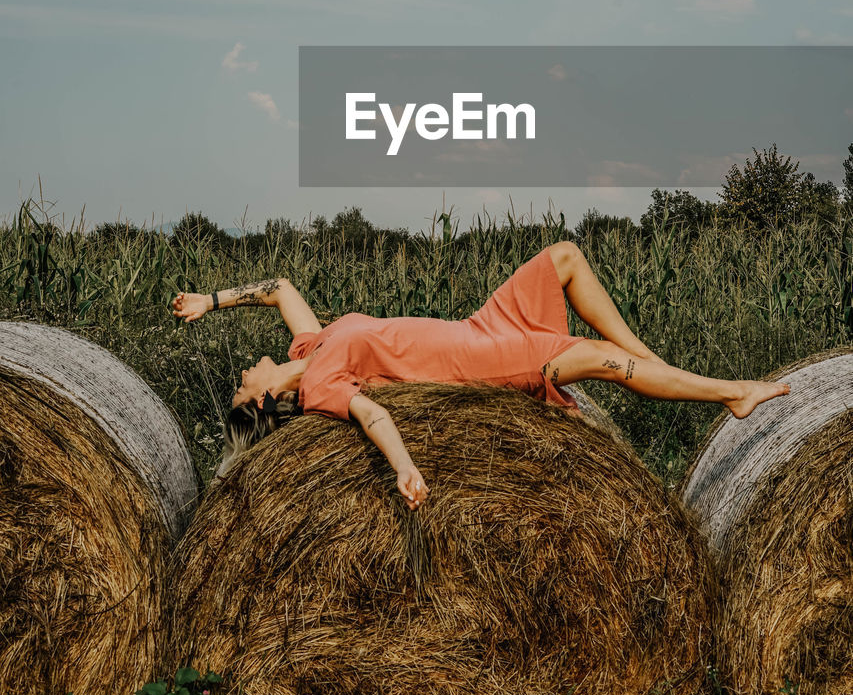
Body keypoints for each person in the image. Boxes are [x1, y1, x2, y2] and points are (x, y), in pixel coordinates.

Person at [171, 242, 790, 509]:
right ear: (261, 402)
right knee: (598, 359)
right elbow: (375, 415)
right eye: (239, 387)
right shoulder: (317, 389)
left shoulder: (309, 345)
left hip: (481, 325)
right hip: (481, 365)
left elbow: (281, 288)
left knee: (565, 258)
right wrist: (404, 467)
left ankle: (653, 360)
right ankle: (732, 394)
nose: (241, 373)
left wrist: (212, 300)